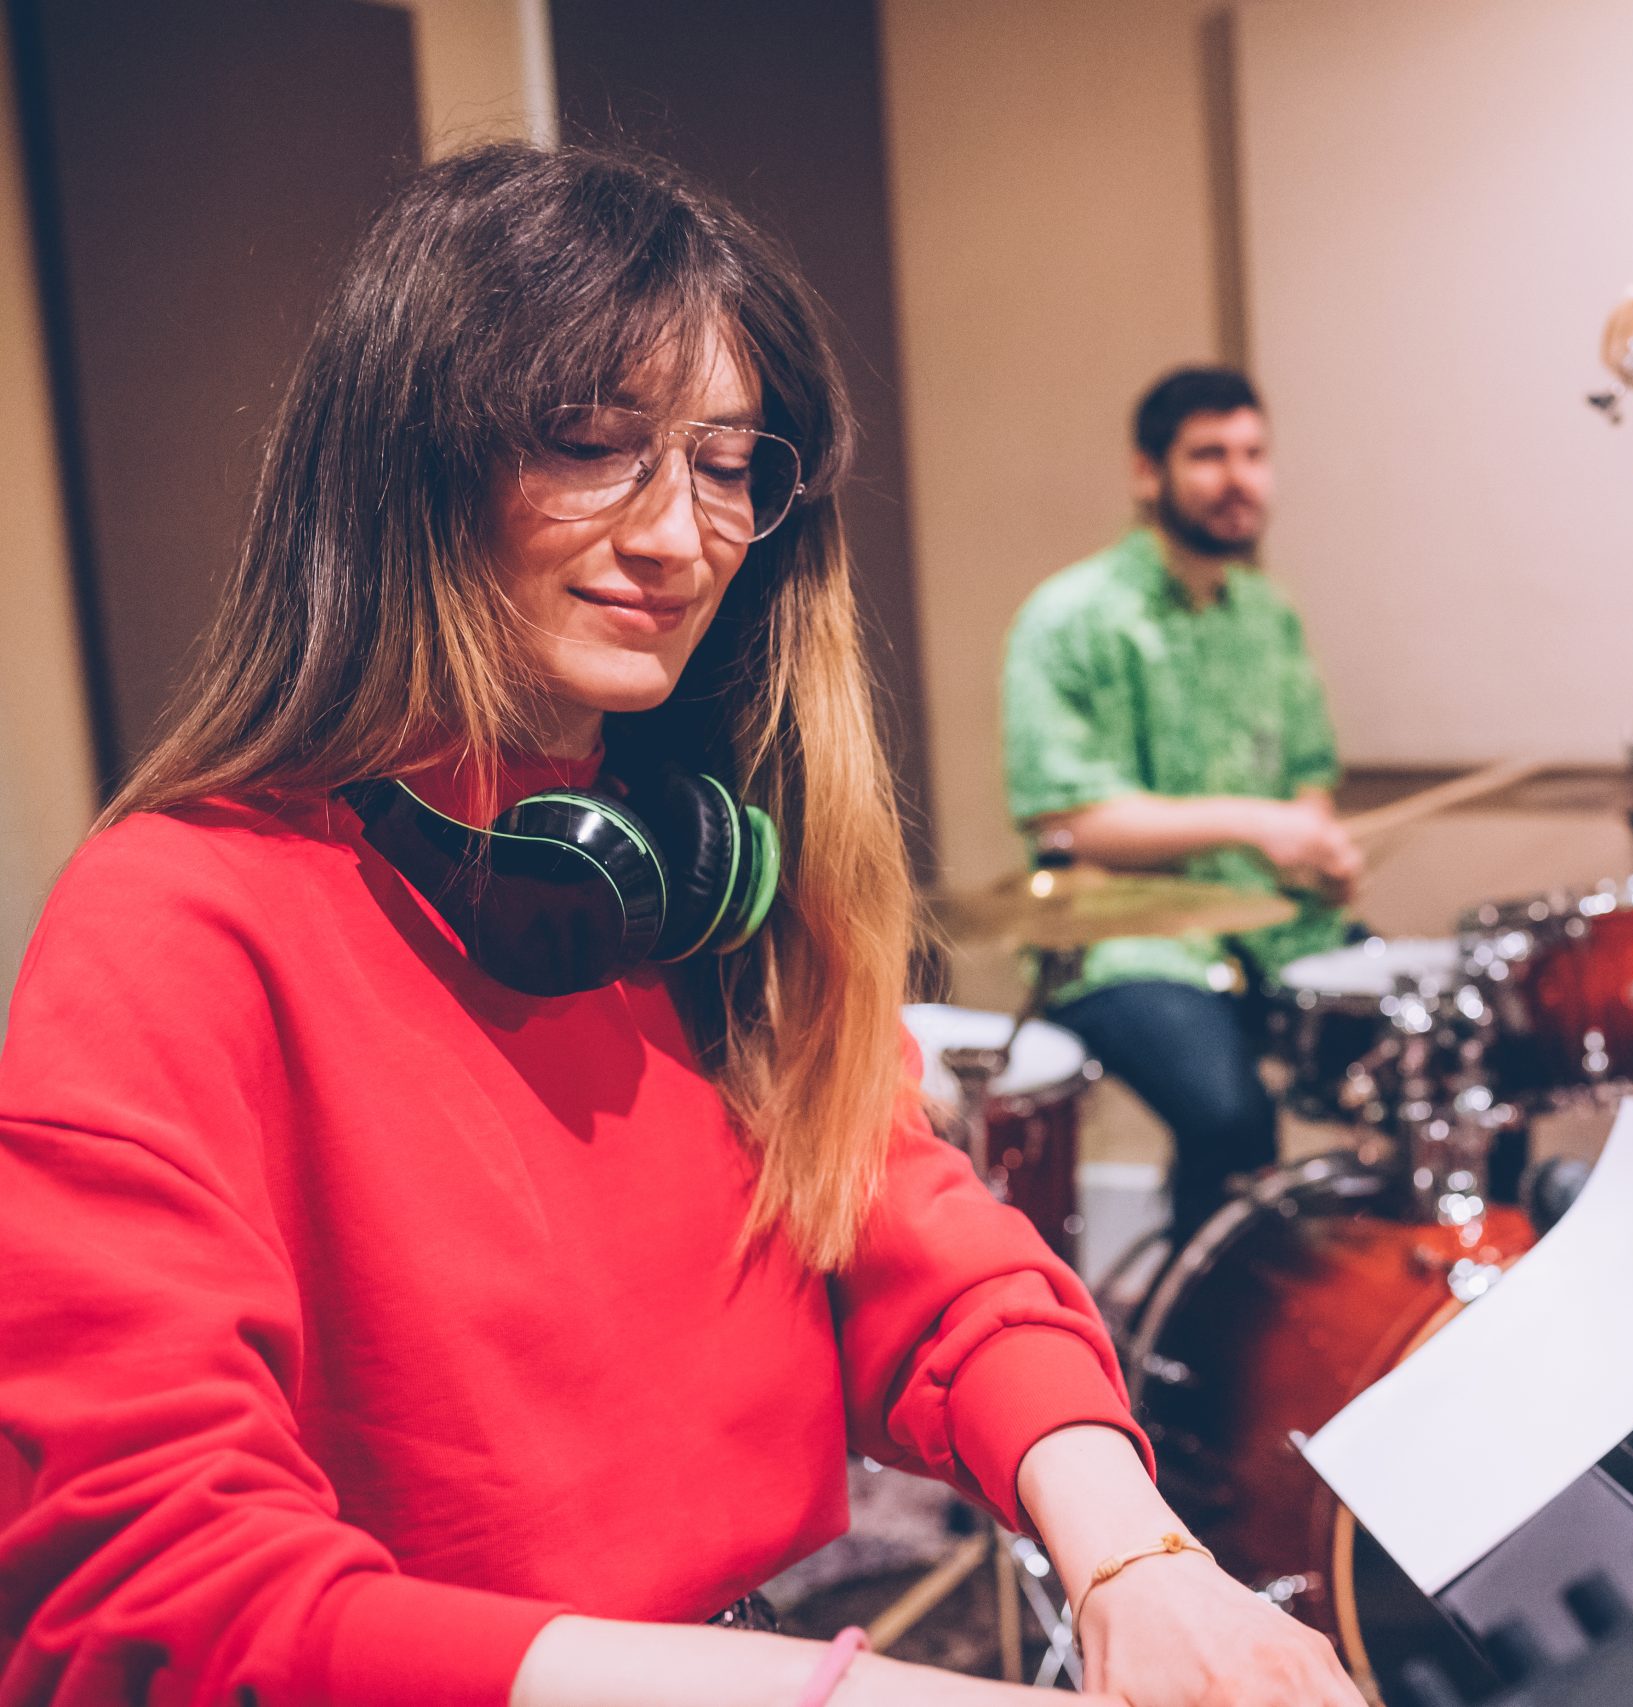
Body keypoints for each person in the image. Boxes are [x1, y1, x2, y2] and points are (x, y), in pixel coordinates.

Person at [0, 145, 1360, 1707]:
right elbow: (149, 1596)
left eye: (728, 465)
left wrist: (1135, 1557)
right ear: (401, 464)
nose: (678, 537)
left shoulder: (699, 872)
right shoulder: (174, 916)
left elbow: (934, 1250)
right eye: (593, 443)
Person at [1002, 368, 1360, 1246]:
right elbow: (1068, 819)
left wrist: (1313, 841)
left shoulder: (1268, 616)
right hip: (1122, 948)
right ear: (1146, 472)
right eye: (1208, 455)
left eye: (1253, 454)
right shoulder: (1070, 616)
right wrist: (1256, 822)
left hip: (1273, 931)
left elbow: (1309, 775)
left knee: (1460, 1054)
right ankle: (1203, 1356)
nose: (1237, 477)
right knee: (1231, 1117)